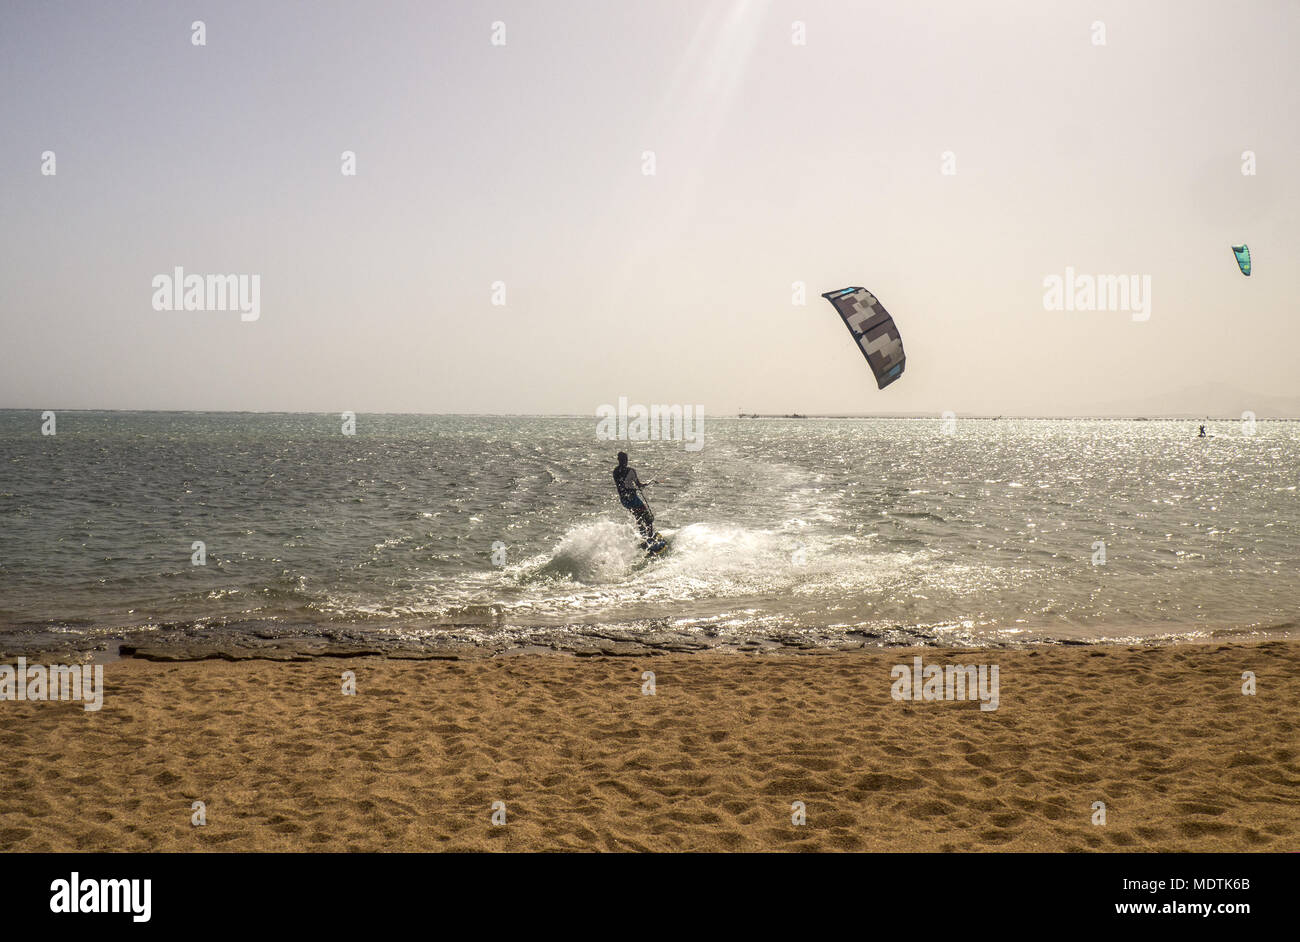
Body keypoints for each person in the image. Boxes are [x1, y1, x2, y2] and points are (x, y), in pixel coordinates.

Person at [613, 451, 657, 540]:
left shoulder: (615, 471)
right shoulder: (631, 471)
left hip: (624, 501)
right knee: (648, 518)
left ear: (618, 460)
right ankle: (650, 538)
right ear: (626, 460)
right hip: (633, 499)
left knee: (638, 518)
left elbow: (622, 484)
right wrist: (649, 482)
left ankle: (644, 537)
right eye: (626, 459)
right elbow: (639, 485)